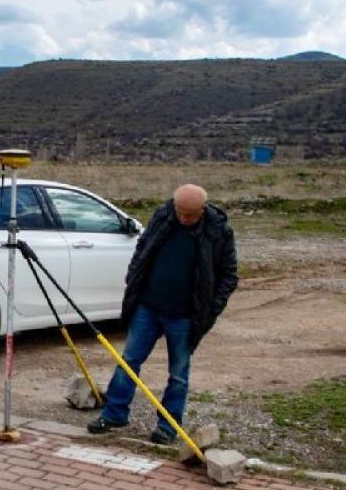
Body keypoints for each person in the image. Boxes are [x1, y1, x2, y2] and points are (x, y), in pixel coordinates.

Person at [87, 184, 238, 444]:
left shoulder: (218, 231)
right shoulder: (164, 216)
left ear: (202, 210)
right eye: (180, 212)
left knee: (178, 374)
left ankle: (168, 427)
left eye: (189, 215)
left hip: (185, 316)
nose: (183, 218)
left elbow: (229, 274)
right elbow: (142, 249)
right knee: (128, 361)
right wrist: (133, 277)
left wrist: (212, 308)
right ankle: (114, 414)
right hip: (148, 307)